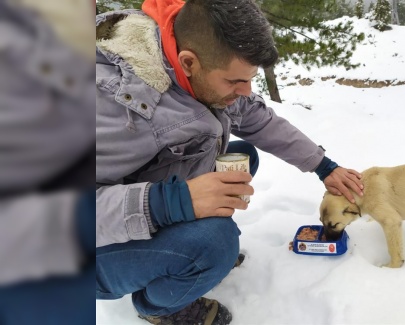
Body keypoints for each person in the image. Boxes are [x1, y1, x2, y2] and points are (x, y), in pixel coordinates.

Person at [95, 0, 364, 324]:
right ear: (189, 62)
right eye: (235, 82)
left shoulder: (196, 68)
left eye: (250, 80)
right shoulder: (111, 107)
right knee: (215, 243)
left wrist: (323, 166)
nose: (247, 91)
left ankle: (186, 254)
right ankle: (161, 307)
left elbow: (258, 119)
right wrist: (171, 203)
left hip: (131, 200)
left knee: (240, 159)